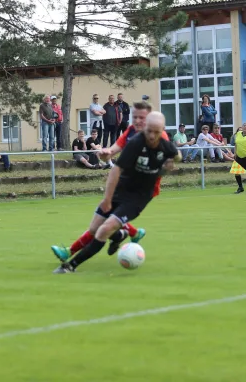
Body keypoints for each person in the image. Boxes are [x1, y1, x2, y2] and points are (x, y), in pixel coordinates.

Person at [53, 112, 180, 274]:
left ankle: (70, 266)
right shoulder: (135, 143)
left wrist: (169, 164)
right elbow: (115, 172)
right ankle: (119, 235)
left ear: (162, 130)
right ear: (145, 128)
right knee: (93, 229)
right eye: (150, 131)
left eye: (157, 132)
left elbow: (177, 156)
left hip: (138, 198)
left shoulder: (166, 146)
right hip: (120, 190)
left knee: (104, 229)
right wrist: (107, 199)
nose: (152, 135)